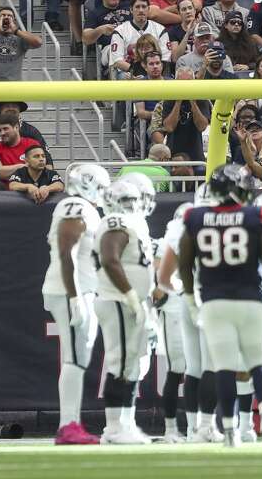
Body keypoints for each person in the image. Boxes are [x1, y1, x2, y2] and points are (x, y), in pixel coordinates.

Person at [178, 164, 262, 448]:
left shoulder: (197, 217)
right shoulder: (254, 216)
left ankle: (229, 431)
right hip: (249, 299)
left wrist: (192, 299)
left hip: (214, 303)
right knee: (258, 364)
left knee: (224, 369)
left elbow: (184, 263)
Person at [42, 164, 111, 445]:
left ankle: (71, 423)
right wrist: (74, 296)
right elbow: (66, 251)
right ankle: (67, 424)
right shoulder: (74, 206)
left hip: (82, 289)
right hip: (70, 290)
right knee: (72, 358)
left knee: (78, 359)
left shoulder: (85, 208)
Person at [90, 178, 156, 445]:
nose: (131, 205)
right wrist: (130, 295)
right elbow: (109, 257)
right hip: (118, 299)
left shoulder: (135, 223)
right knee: (121, 363)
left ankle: (123, 424)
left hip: (127, 300)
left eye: (133, 200)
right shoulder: (114, 222)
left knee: (130, 364)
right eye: (126, 200)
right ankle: (115, 427)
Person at [0, 7, 42, 81]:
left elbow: (38, 42)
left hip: (13, 85)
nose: (6, 17)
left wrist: (16, 31)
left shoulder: (20, 37)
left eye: (9, 16)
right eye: (3, 15)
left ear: (14, 21)